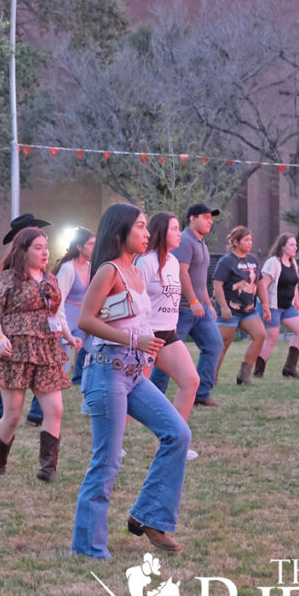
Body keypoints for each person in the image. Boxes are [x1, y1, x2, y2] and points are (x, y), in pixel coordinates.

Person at [71, 204, 191, 558]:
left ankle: (150, 516)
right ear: (121, 233)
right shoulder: (108, 271)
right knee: (107, 461)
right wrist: (133, 341)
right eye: (140, 227)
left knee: (178, 433)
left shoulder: (137, 271)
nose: (146, 233)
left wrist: (145, 346)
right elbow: (85, 320)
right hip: (107, 370)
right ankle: (88, 545)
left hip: (135, 372)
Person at [0, 227, 81, 482]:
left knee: (55, 409)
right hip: (15, 349)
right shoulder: (6, 278)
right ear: (22, 251)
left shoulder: (50, 279)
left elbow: (55, 315)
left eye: (45, 247)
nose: (44, 252)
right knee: (13, 414)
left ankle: (48, 469)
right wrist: (0, 337)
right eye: (37, 247)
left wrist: (68, 336)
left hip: (47, 349)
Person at [136, 212, 200, 460]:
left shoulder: (173, 262)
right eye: (174, 229)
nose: (179, 234)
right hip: (145, 335)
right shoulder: (146, 262)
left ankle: (173, 443)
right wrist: (141, 338)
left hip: (168, 333)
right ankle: (112, 444)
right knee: (132, 393)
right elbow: (133, 300)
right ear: (161, 232)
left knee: (191, 381)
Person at [150, 204, 223, 407]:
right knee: (165, 355)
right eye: (206, 217)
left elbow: (200, 278)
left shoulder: (202, 243)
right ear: (192, 218)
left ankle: (201, 394)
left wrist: (208, 304)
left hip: (200, 308)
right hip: (182, 309)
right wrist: (192, 301)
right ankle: (154, 397)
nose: (210, 221)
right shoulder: (185, 241)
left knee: (214, 344)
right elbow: (182, 273)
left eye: (211, 217)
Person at [0, 214, 49, 429]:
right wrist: (1, 336)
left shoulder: (44, 271)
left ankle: (36, 416)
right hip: (14, 335)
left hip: (40, 337)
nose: (39, 234)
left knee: (43, 382)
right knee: (10, 380)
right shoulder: (8, 271)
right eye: (34, 230)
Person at [212, 226, 271, 385]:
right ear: (236, 242)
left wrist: (265, 304)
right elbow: (217, 285)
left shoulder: (252, 259)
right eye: (246, 240)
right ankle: (211, 378)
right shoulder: (227, 261)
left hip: (248, 310)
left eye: (250, 239)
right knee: (223, 345)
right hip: (230, 311)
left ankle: (244, 374)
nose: (250, 243)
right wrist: (223, 307)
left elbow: (259, 284)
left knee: (260, 335)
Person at [256, 233, 299, 379]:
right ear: (282, 246)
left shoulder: (293, 263)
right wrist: (265, 306)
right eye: (292, 244)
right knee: (272, 337)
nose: (295, 247)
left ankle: (289, 367)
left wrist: (297, 306)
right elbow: (262, 285)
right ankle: (258, 371)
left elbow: (295, 287)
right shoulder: (273, 262)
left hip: (288, 307)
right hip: (273, 306)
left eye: (296, 245)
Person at [55, 228, 95, 385]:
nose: (94, 248)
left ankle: (89, 392)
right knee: (61, 371)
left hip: (82, 323)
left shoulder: (91, 267)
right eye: (90, 244)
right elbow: (58, 301)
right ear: (79, 246)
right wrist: (65, 332)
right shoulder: (67, 268)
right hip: (63, 324)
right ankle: (41, 408)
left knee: (98, 355)